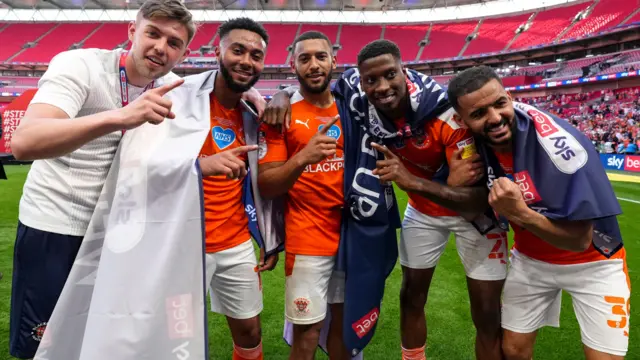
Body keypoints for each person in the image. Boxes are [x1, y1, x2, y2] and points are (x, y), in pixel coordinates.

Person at [8, 2, 267, 358]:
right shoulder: (80, 65)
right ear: (133, 31)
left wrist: (254, 92)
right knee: (45, 344)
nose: (161, 47)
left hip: (119, 235)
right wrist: (120, 117)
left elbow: (217, 86)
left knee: (104, 338)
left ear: (184, 53)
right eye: (153, 33)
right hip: (58, 228)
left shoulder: (171, 88)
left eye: (174, 43)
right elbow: (24, 143)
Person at [265, 40, 501, 360]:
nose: (382, 86)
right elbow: (318, 82)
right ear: (360, 82)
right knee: (411, 297)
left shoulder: (445, 113)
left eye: (391, 75)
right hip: (418, 212)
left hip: (471, 214)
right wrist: (282, 92)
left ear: (404, 72)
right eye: (371, 80)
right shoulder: (354, 90)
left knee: (486, 311)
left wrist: (411, 181)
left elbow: (473, 198)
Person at [446, 65, 630, 360]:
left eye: (499, 104)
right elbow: (470, 210)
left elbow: (580, 241)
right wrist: (454, 187)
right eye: (479, 113)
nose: (494, 118)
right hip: (531, 262)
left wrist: (519, 213)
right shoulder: (467, 146)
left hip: (594, 263)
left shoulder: (562, 147)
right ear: (461, 119)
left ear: (509, 96)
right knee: (513, 352)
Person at [257, 31, 349, 360]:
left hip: (353, 238)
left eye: (320, 57)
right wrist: (302, 158)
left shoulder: (351, 107)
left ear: (333, 61)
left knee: (343, 330)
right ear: (292, 65)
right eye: (304, 58)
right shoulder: (281, 114)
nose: (313, 65)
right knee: (307, 334)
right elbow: (267, 185)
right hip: (308, 239)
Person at [195, 17, 278, 360]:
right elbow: (141, 165)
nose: (246, 60)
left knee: (249, 331)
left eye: (256, 55)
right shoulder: (184, 100)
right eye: (238, 50)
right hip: (183, 242)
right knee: (175, 332)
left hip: (235, 241)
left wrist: (268, 238)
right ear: (218, 50)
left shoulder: (251, 113)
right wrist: (199, 166)